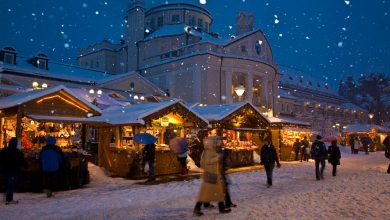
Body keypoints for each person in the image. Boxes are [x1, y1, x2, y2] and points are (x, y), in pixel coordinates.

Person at [193, 136, 231, 216]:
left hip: (213, 173)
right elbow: (208, 162)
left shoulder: (211, 150)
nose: (219, 143)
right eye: (217, 141)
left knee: (218, 192)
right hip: (210, 174)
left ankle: (221, 208)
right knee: (205, 193)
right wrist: (218, 157)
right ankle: (197, 209)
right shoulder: (208, 151)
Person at [0, 137, 26, 205]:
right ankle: (9, 199)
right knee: (11, 185)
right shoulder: (17, 152)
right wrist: (25, 166)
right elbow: (22, 160)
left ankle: (8, 197)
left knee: (7, 184)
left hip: (5, 170)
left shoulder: (4, 150)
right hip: (14, 170)